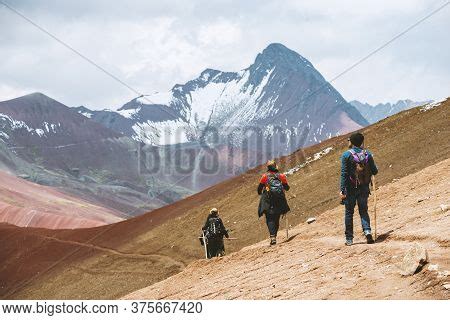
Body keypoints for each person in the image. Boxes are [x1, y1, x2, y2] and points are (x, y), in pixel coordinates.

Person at [340, 132, 378, 246]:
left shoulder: (346, 155)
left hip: (350, 189)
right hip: (364, 188)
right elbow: (375, 171)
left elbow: (344, 174)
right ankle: (368, 232)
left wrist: (342, 190)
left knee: (349, 213)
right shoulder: (368, 154)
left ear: (351, 142)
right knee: (363, 211)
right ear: (362, 142)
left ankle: (349, 239)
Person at [257, 160, 290, 245]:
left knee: (270, 218)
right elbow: (287, 187)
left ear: (268, 168)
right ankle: (274, 235)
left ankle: (273, 237)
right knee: (276, 218)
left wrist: (262, 193)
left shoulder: (265, 177)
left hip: (268, 201)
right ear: (275, 166)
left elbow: (259, 189)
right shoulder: (281, 176)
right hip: (279, 201)